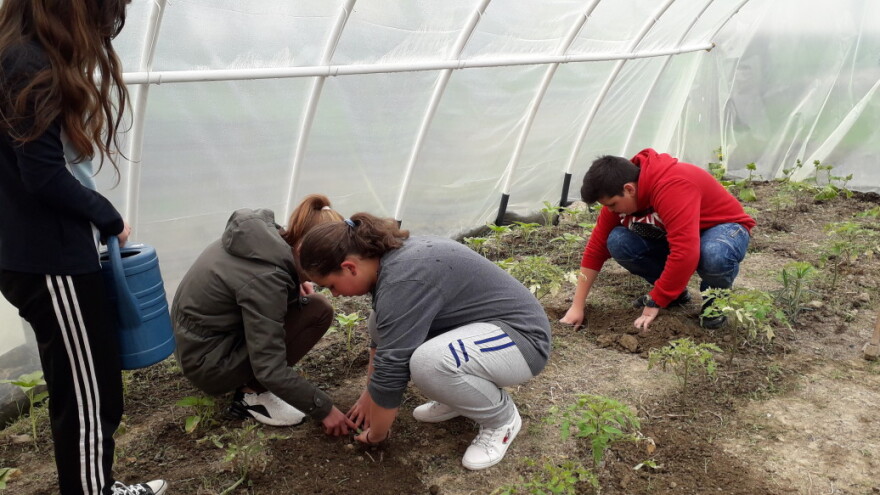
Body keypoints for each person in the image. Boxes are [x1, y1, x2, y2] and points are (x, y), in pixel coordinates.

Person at [0, 1, 168, 494]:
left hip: (32, 257)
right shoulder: (31, 64)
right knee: (91, 397)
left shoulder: (13, 54)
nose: (104, 29)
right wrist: (107, 216)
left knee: (80, 390)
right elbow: (45, 175)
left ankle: (97, 485)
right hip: (52, 265)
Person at [298, 213, 551, 470]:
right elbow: (382, 341)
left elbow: (391, 369)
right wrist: (368, 396)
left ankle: (502, 419)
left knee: (429, 364)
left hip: (521, 340)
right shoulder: (389, 261)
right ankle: (459, 396)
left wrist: (377, 435)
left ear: (350, 267)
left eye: (331, 286)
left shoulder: (405, 278)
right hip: (481, 329)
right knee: (379, 321)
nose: (336, 295)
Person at [171, 195, 357, 436]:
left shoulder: (261, 241)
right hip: (208, 364)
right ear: (303, 249)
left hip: (196, 344)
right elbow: (269, 367)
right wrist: (324, 409)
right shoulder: (267, 277)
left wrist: (294, 281)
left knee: (311, 304)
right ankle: (251, 396)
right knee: (318, 311)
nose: (318, 278)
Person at [560, 148, 756, 332]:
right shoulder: (620, 194)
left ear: (629, 189)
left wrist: (655, 301)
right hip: (683, 234)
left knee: (713, 253)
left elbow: (685, 251)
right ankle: (675, 295)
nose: (610, 210)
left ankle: (715, 304)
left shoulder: (670, 185)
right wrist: (577, 307)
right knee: (618, 241)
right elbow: (596, 249)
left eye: (613, 204)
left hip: (723, 229)